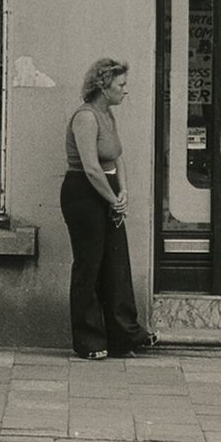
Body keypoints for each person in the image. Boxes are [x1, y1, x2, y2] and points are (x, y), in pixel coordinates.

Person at [61, 57, 157, 360]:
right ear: (104, 86)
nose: (125, 90)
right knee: (89, 265)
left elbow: (117, 157)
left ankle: (124, 335)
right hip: (84, 195)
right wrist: (112, 199)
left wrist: (123, 191)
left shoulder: (107, 114)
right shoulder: (85, 117)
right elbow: (91, 168)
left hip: (107, 192)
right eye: (121, 85)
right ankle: (88, 340)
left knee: (116, 264)